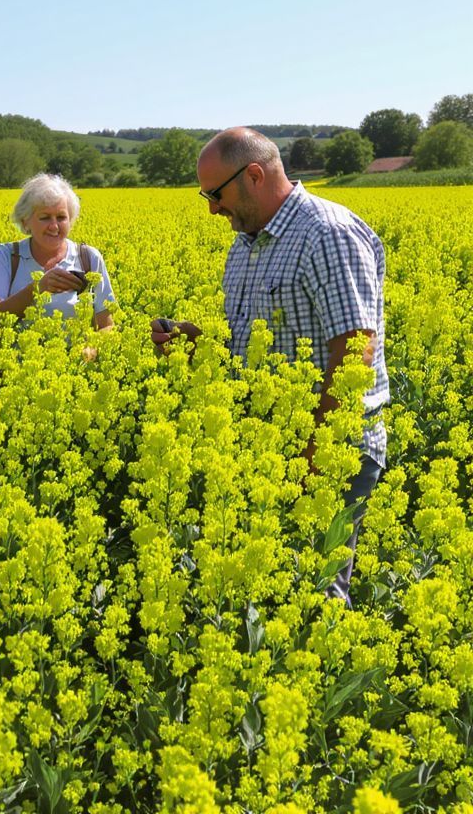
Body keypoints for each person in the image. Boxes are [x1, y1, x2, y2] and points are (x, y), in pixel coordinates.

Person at [152, 127, 388, 605]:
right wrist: (201, 346)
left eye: (214, 195)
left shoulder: (328, 234)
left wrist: (314, 455)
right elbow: (249, 342)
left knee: (315, 594)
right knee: (265, 590)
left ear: (254, 175)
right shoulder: (245, 243)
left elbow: (355, 352)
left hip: (326, 449)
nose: (212, 209)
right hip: (263, 444)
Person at [0, 173, 115, 339]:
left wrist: (92, 349)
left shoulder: (89, 258)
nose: (54, 226)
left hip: (76, 363)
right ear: (25, 222)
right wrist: (38, 288)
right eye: (44, 217)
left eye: (61, 217)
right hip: (16, 363)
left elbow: (107, 324)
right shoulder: (6, 256)